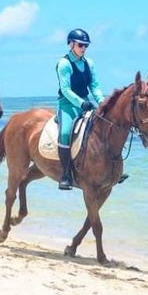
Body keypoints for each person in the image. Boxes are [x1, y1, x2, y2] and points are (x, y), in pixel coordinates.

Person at [56, 28, 105, 190]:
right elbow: (66, 90)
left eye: (86, 46)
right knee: (64, 133)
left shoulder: (89, 63)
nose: (83, 48)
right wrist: (81, 103)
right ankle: (65, 175)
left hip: (86, 102)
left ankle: (109, 169)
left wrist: (103, 103)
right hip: (68, 104)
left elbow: (94, 86)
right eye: (80, 45)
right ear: (71, 44)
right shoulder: (64, 64)